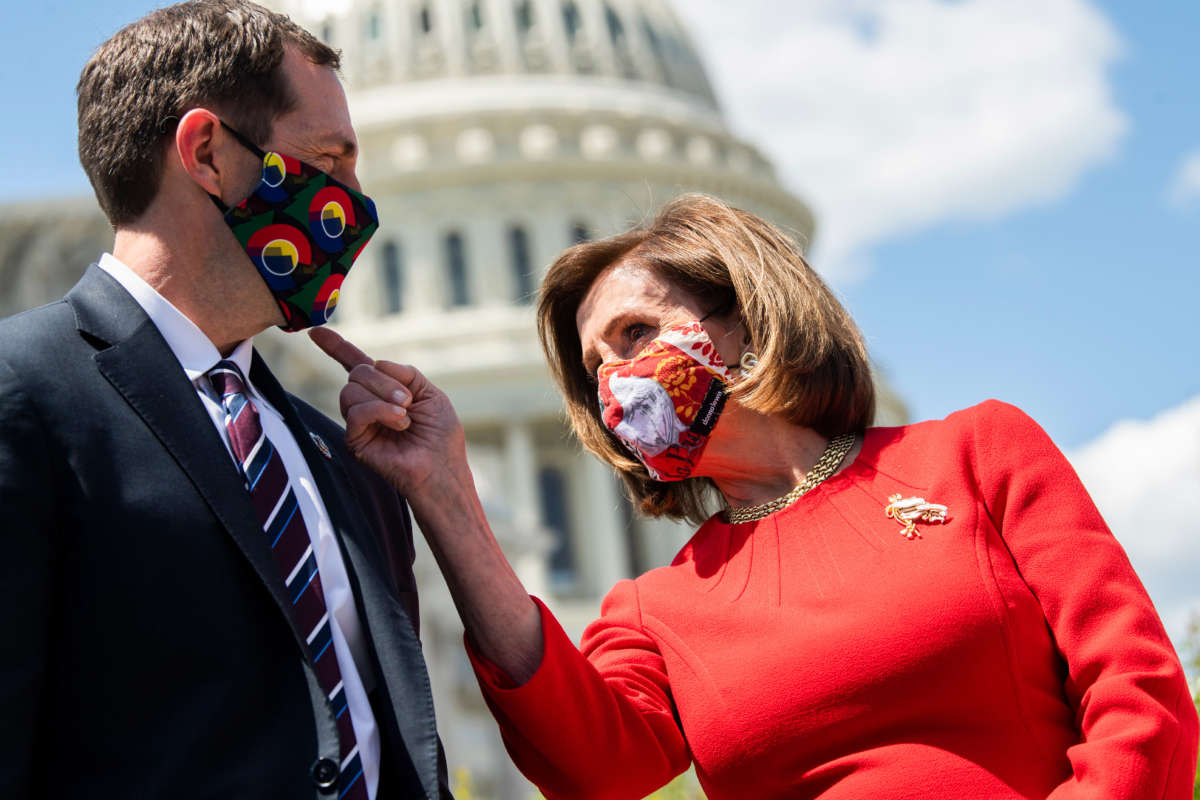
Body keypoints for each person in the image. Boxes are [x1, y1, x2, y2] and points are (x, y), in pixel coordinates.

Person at [311, 193, 1199, 799]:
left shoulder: (974, 455)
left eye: (636, 332)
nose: (618, 377)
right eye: (595, 367)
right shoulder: (660, 608)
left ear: (744, 320)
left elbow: (1138, 691)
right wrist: (447, 498)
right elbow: (592, 768)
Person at [0, 2, 452, 798]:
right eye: (329, 159)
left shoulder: (340, 454)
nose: (357, 201)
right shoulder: (23, 396)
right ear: (207, 152)